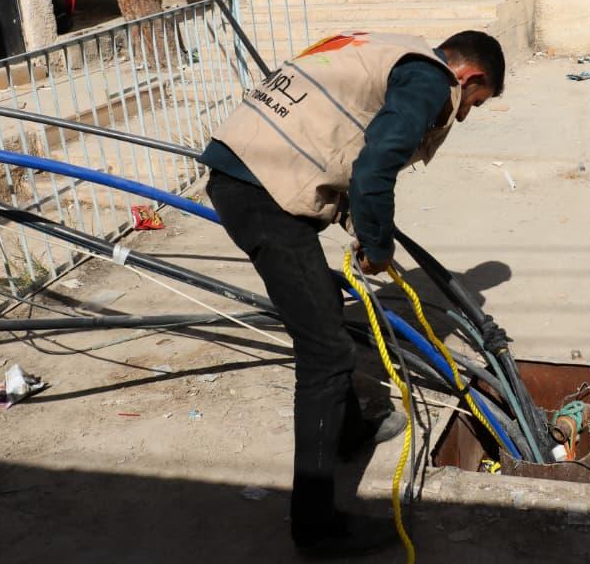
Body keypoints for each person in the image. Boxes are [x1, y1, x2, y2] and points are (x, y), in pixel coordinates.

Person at [201, 30, 505, 557]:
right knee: (325, 353)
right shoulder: (431, 81)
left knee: (323, 315)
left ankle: (347, 434)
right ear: (470, 77)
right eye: (475, 103)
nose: (466, 114)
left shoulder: (388, 50)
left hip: (245, 167)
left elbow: (340, 134)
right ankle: (316, 530)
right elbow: (374, 163)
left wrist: (356, 218)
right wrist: (379, 246)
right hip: (261, 193)